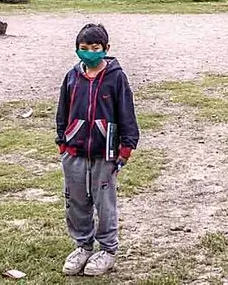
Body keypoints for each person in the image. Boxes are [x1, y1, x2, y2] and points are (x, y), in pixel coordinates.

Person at [56, 23, 139, 277]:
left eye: (95, 48)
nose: (89, 52)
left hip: (105, 154)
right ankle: (83, 245)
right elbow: (62, 111)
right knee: (76, 201)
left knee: (104, 204)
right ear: (77, 49)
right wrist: (62, 141)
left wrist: (126, 147)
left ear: (106, 48)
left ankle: (107, 250)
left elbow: (127, 113)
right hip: (74, 151)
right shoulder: (72, 76)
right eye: (84, 48)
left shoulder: (116, 77)